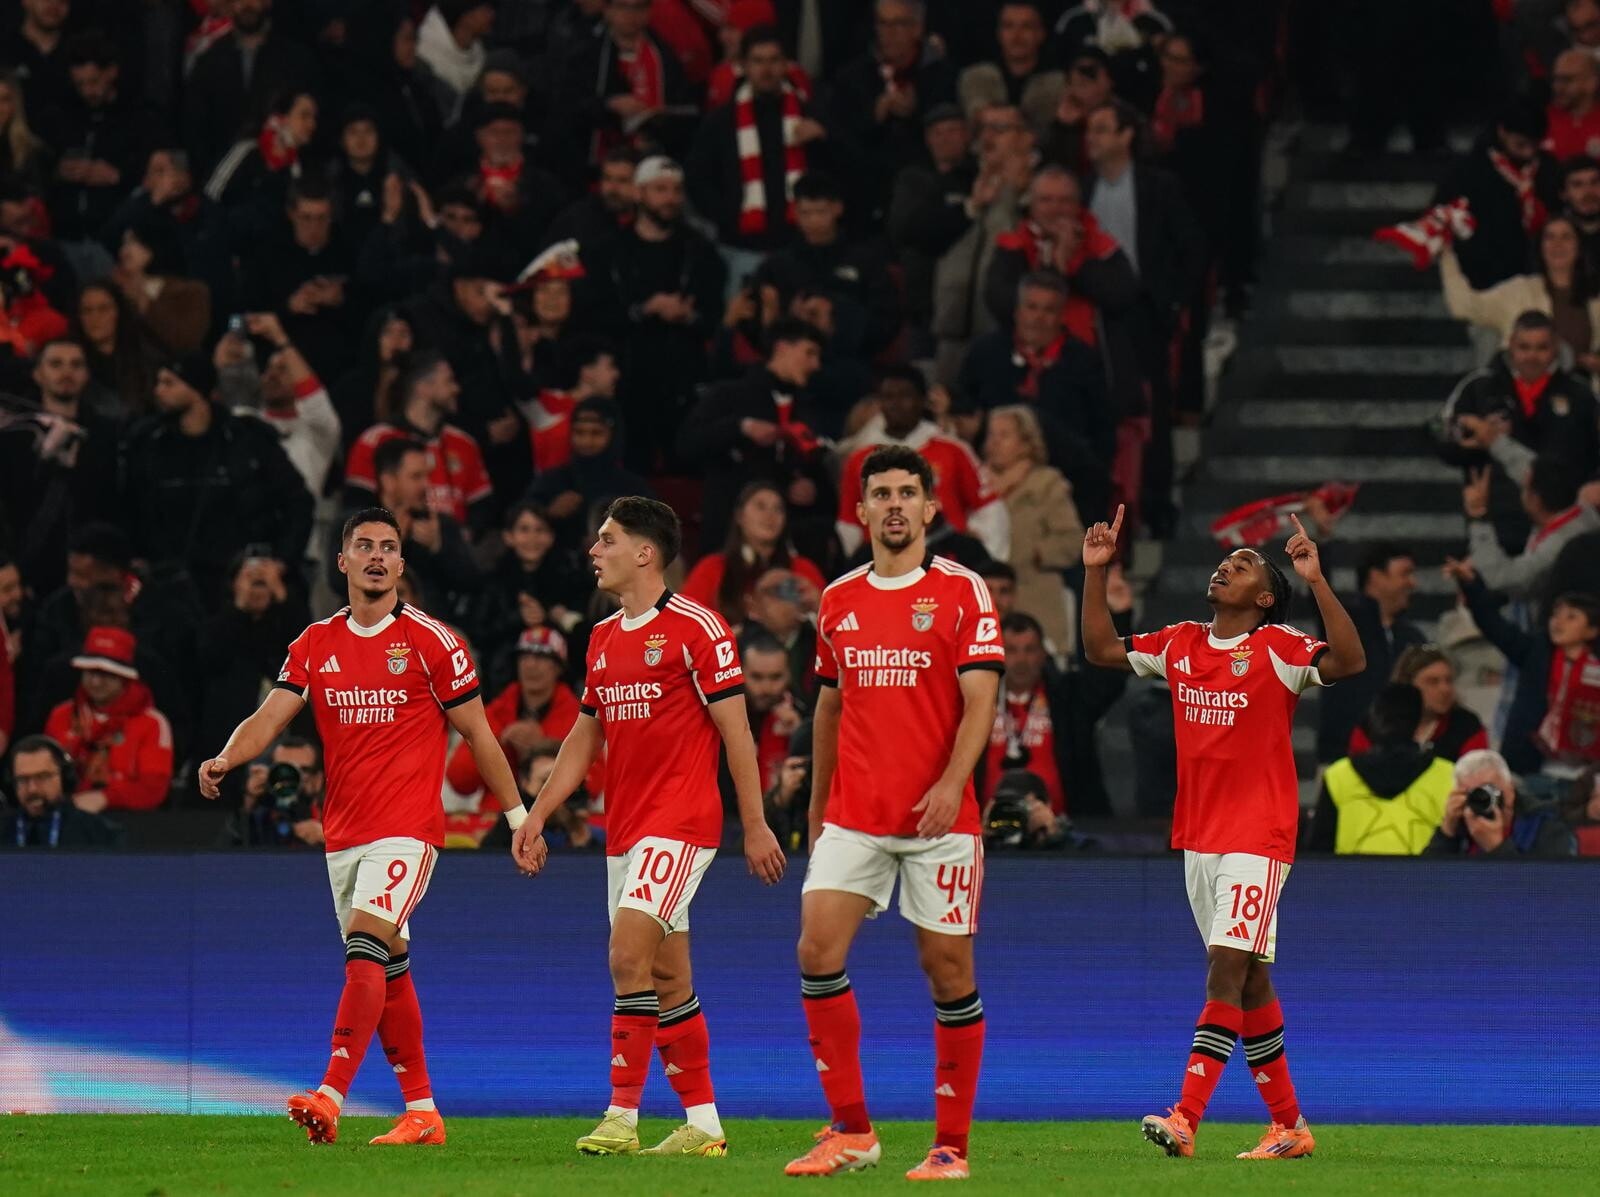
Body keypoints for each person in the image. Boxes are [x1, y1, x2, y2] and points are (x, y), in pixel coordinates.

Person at [196, 506, 540, 1147]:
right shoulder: (315, 642)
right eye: (364, 545)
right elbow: (270, 717)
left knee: (365, 945)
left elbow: (480, 735)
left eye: (388, 547)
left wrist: (520, 816)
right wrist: (225, 757)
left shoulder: (433, 642)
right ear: (343, 561)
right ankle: (423, 1113)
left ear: (402, 564)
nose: (376, 556)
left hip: (408, 829)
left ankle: (330, 1094)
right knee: (388, 967)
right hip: (344, 834)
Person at [1081, 505, 1366, 1161]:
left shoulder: (1279, 647)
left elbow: (1350, 660)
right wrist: (1095, 572)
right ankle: (1289, 1126)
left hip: (1259, 834)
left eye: (1242, 566)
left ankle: (1185, 1116)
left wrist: (1316, 581)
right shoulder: (1180, 642)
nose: (1225, 567)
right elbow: (1100, 650)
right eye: (1225, 561)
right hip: (1200, 836)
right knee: (1251, 981)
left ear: (1264, 598)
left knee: (1225, 968)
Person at [512, 496, 785, 1158]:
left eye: (607, 539)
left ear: (645, 552)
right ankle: (705, 1125)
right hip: (626, 830)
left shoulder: (698, 628)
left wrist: (755, 825)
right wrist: (536, 814)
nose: (594, 550)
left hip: (681, 823)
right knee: (667, 979)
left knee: (625, 957)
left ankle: (620, 1115)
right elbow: (584, 737)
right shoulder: (603, 637)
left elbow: (737, 733)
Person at [785, 444, 1004, 1182]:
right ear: (860, 511)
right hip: (855, 814)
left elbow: (981, 700)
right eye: (881, 494)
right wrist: (818, 806)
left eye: (908, 492)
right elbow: (828, 707)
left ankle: (950, 1147)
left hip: (941, 823)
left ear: (931, 508)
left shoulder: (963, 590)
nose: (895, 505)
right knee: (817, 950)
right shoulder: (838, 598)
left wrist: (951, 783)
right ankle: (852, 1130)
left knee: (947, 972)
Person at [836, 365, 1009, 561]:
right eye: (888, 397)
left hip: (947, 560)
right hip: (883, 562)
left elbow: (989, 509)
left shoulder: (953, 450)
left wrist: (988, 562)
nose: (895, 404)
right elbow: (849, 522)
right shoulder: (860, 459)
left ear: (922, 400)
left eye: (905, 396)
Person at [983, 606, 1129, 819]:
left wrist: (1120, 617)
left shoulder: (1068, 697)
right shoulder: (976, 700)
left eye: (1029, 650)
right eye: (1011, 650)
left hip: (1067, 828)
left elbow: (1110, 677)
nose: (1021, 660)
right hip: (986, 827)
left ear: (1043, 654)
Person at [344, 353, 494, 531]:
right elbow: (356, 508)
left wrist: (453, 540)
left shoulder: (464, 443)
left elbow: (482, 511)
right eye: (449, 381)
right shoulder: (374, 441)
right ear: (423, 388)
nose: (456, 389)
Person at [1309, 684, 1456, 855]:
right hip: (1425, 872)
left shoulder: (1338, 775)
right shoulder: (1447, 774)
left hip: (1351, 872)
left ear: (1375, 720)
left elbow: (1318, 850)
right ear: (1418, 722)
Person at [983, 403, 1083, 653]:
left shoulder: (1047, 484)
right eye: (991, 434)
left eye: (1004, 435)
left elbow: (1072, 541)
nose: (994, 442)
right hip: (982, 600)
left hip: (1033, 596)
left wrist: (1034, 553)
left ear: (1026, 444)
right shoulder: (975, 482)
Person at [44, 625, 175, 813]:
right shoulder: (61, 715)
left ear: (125, 677)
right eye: (90, 672)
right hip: (66, 816)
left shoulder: (152, 723)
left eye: (106, 674)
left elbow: (153, 789)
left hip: (131, 822)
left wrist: (105, 798)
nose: (96, 682)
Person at [1315, 543, 1425, 765]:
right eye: (1405, 574)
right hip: (1342, 757)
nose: (1413, 583)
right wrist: (1321, 541)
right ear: (1376, 576)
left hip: (1400, 760)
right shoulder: (1343, 624)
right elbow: (1316, 590)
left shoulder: (1413, 638)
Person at [1440, 217, 1600, 363]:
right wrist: (1446, 256)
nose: (1557, 244)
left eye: (1566, 237)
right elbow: (1465, 307)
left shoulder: (1595, 298)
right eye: (1550, 237)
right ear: (1541, 247)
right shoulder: (1518, 291)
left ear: (1579, 247)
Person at [680, 481, 826, 627]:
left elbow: (832, 623)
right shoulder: (712, 568)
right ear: (740, 516)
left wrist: (818, 606)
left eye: (778, 509)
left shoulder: (802, 569)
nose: (770, 515)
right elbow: (684, 625)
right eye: (760, 507)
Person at [1422, 748, 1578, 857]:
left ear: (1510, 791)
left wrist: (1497, 848)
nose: (1482, 800)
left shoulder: (1547, 826)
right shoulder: (1461, 828)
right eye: (1472, 794)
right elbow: (1424, 885)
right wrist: (1447, 832)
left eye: (1488, 790)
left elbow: (1545, 890)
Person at [1346, 644, 1489, 762]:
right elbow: (1357, 769)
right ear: (1407, 686)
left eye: (1448, 680)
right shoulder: (1374, 725)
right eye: (1432, 682)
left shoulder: (1467, 726)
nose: (1445, 689)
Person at [958, 3, 1065, 142]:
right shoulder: (976, 77)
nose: (1017, 35)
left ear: (1040, 34)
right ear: (999, 34)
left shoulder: (1058, 83)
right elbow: (977, 117)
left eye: (1026, 27)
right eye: (1009, 26)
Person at [2, 734, 118, 848]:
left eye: (42, 777)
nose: (32, 788)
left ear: (64, 777)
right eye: (22, 779)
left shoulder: (100, 834)